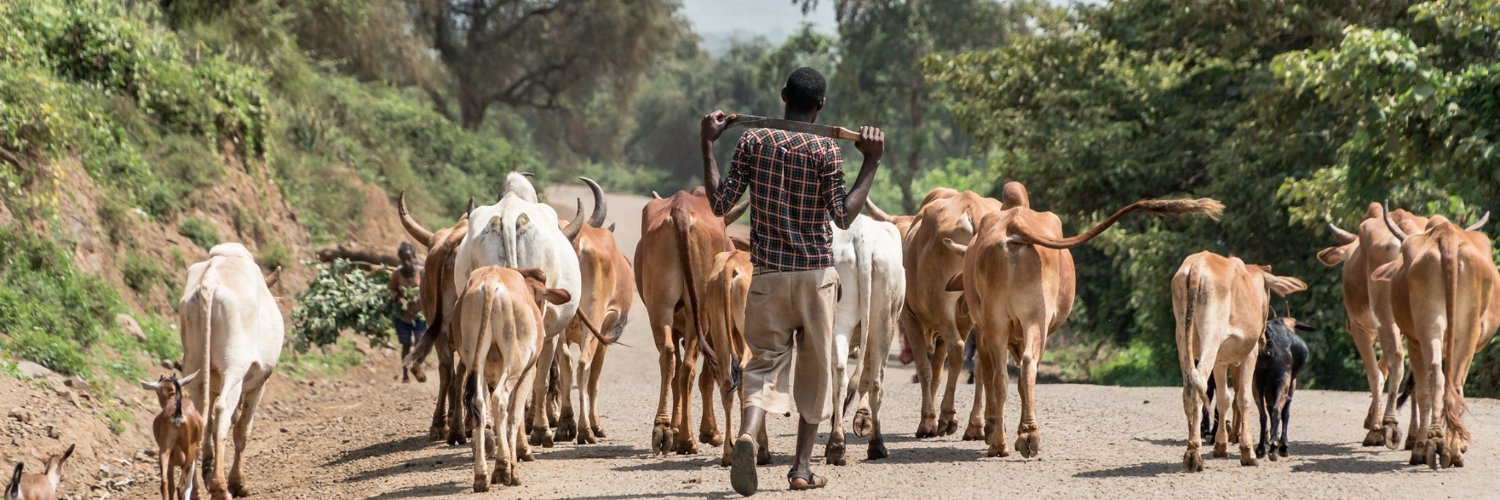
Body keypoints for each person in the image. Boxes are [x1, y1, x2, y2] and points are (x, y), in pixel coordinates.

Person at [700, 67, 883, 495]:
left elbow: (720, 203)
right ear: (821, 107)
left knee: (761, 364)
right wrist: (871, 161)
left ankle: (747, 434)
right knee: (816, 371)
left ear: (783, 96)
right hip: (815, 276)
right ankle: (801, 469)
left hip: (766, 274)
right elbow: (842, 214)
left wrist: (706, 144)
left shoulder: (752, 141)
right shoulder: (826, 151)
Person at [389, 242, 424, 383]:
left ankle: (416, 367)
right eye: (403, 259)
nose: (407, 262)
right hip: (403, 316)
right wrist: (398, 298)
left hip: (420, 315)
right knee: (405, 344)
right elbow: (392, 289)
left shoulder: (421, 272)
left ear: (414, 256)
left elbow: (428, 289)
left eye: (409, 258)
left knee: (420, 344)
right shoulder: (397, 274)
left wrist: (420, 297)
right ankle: (405, 374)